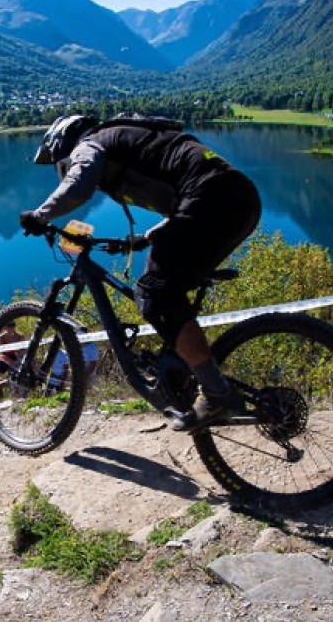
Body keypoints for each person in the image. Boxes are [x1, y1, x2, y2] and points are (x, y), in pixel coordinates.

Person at [21, 114, 262, 431]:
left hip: (211, 199)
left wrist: (40, 216)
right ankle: (189, 377)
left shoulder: (89, 143)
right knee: (167, 288)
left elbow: (78, 185)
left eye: (59, 162)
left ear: (63, 144)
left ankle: (217, 394)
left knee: (153, 293)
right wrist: (147, 238)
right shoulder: (127, 137)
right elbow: (184, 200)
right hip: (240, 199)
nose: (61, 168)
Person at [0, 320, 24, 398]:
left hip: (18, 360)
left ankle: (16, 395)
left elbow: (23, 352)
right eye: (9, 326)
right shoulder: (1, 337)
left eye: (13, 326)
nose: (11, 328)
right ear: (5, 328)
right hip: (5, 359)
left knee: (16, 380)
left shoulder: (20, 336)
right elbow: (2, 352)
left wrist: (17, 355)